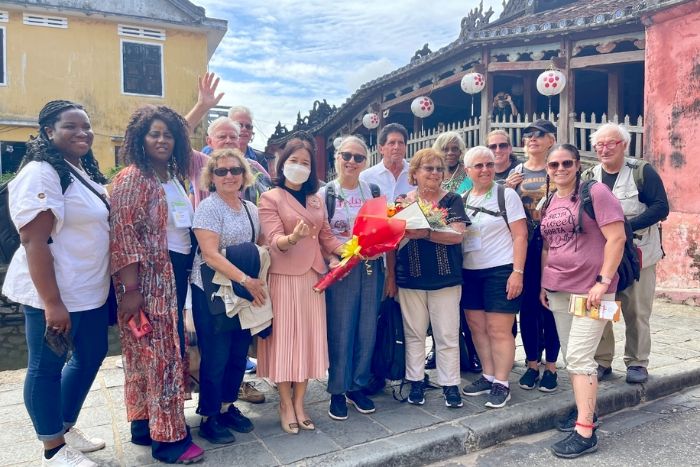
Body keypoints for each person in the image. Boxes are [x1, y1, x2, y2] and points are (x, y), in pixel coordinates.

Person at [2, 100, 109, 467]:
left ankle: (64, 425)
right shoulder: (41, 172)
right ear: (49, 131)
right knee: (45, 366)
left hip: (89, 291)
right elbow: (35, 241)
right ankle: (53, 447)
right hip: (53, 292)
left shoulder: (80, 170)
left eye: (86, 125)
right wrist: (52, 302)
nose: (82, 132)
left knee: (91, 354)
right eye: (71, 126)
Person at [110, 105, 204, 464]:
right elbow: (123, 235)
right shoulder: (134, 177)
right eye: (154, 133)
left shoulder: (170, 176)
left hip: (172, 272)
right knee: (161, 356)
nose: (162, 139)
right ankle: (169, 442)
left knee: (145, 354)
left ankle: (144, 423)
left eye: (168, 134)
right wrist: (131, 290)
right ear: (140, 138)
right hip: (148, 278)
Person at [539, 144, 626, 458]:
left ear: (577, 164)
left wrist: (603, 281)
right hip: (559, 289)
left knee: (578, 357)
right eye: (553, 165)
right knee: (571, 355)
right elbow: (549, 247)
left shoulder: (596, 192)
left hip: (592, 290)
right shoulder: (550, 200)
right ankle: (585, 410)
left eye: (566, 163)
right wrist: (543, 283)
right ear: (547, 168)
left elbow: (617, 238)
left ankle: (585, 431)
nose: (560, 169)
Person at [257, 141, 344, 434]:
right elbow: (273, 240)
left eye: (306, 163)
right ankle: (284, 403)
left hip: (313, 278)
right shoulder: (270, 197)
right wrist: (292, 238)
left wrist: (351, 249)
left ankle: (300, 402)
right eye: (294, 160)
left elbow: (327, 236)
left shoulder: (316, 198)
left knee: (307, 339)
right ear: (283, 164)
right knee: (285, 341)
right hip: (283, 277)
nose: (300, 166)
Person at [585, 123, 669, 384]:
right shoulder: (590, 175)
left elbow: (660, 207)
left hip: (638, 253)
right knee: (603, 308)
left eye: (611, 143)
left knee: (636, 311)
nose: (604, 149)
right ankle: (602, 360)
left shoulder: (641, 172)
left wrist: (624, 228)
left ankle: (637, 362)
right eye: (599, 144)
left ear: (624, 145)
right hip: (604, 256)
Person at [385, 148, 468, 408]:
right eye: (428, 168)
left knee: (447, 334)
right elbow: (390, 242)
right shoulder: (401, 201)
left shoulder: (452, 199)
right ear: (415, 173)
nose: (434, 173)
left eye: (438, 168)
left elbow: (457, 235)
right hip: (409, 277)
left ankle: (450, 385)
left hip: (445, 278)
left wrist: (426, 233)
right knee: (414, 333)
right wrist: (390, 278)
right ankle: (416, 382)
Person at [190, 149, 262, 444]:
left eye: (235, 170)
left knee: (238, 352)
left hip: (240, 291)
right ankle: (209, 415)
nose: (229, 176)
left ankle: (227, 405)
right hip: (213, 291)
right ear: (212, 177)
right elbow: (210, 255)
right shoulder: (209, 208)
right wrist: (246, 279)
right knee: (216, 355)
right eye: (221, 171)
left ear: (244, 175)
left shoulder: (250, 209)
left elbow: (259, 245)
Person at [317, 136, 384, 421]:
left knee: (367, 328)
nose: (352, 162)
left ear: (365, 162)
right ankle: (337, 389)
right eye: (346, 156)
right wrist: (339, 252)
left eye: (358, 157)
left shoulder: (373, 190)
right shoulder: (325, 194)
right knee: (341, 329)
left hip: (371, 267)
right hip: (340, 267)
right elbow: (321, 233)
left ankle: (358, 385)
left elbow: (383, 227)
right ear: (336, 158)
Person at [460, 146, 527, 409]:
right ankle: (487, 375)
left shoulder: (506, 195)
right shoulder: (462, 198)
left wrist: (517, 272)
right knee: (477, 328)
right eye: (478, 166)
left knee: (499, 330)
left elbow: (520, 235)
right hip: (470, 271)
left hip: (501, 269)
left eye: (489, 164)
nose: (485, 169)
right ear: (468, 171)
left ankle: (502, 382)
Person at [505, 119, 561, 393]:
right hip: (525, 244)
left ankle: (551, 366)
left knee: (551, 303)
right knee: (527, 308)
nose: (532, 139)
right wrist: (508, 188)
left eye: (539, 135)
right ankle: (531, 363)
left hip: (554, 245)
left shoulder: (559, 168)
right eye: (528, 135)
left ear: (551, 140)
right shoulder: (516, 172)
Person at [430, 131, 480, 374]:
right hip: (435, 246)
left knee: (463, 302)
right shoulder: (433, 174)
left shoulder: (467, 176)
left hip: (463, 242)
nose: (450, 153)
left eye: (455, 149)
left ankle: (471, 351)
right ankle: (437, 350)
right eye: (446, 148)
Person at [359, 123, 412, 201]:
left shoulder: (416, 173)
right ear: (381, 149)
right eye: (392, 143)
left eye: (401, 143)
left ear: (405, 147)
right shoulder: (366, 178)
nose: (397, 147)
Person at [228, 105, 275, 172]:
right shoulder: (212, 153)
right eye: (239, 125)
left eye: (248, 126)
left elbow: (265, 181)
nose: (244, 129)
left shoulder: (260, 158)